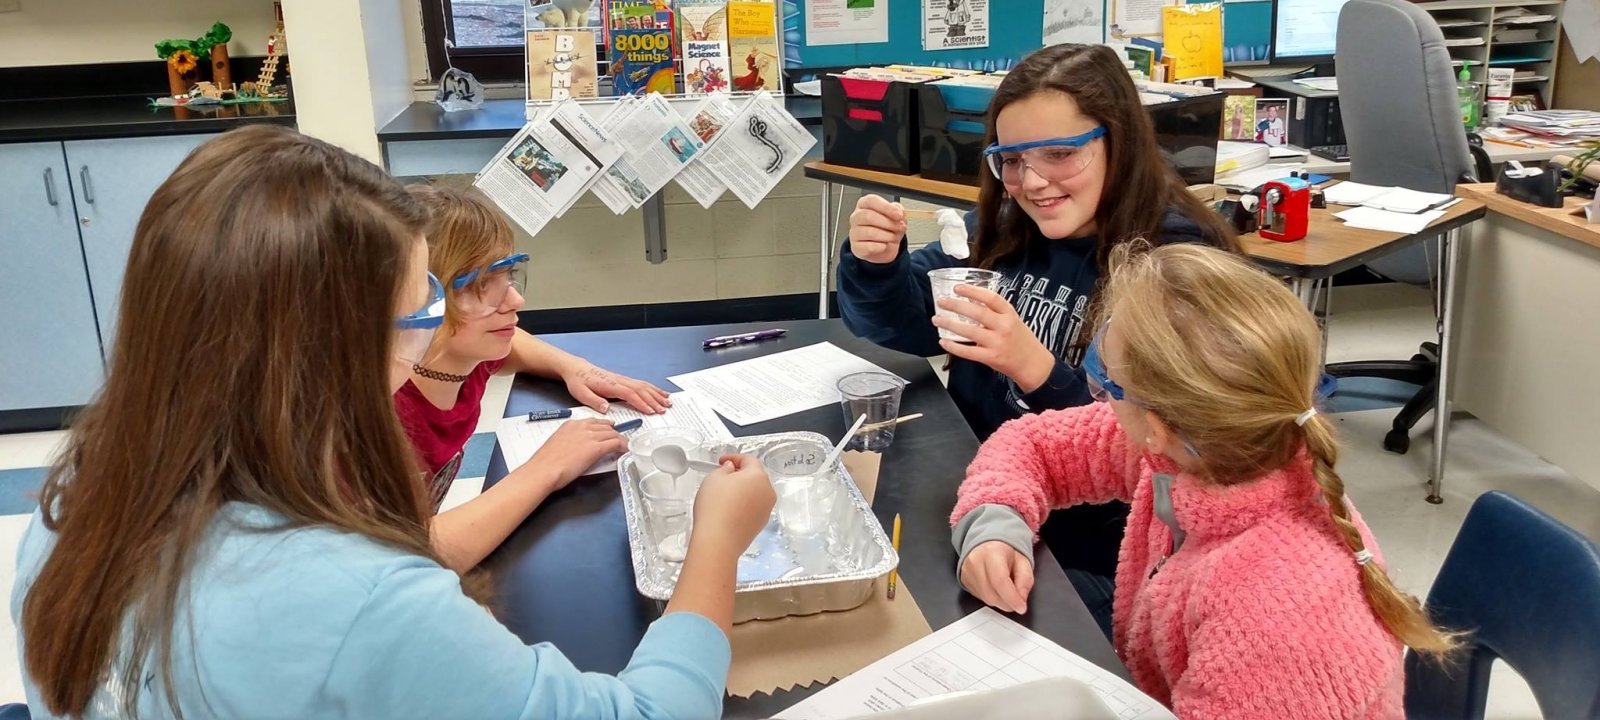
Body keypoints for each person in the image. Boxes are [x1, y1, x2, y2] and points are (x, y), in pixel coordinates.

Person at [13, 125, 775, 719]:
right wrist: (717, 541)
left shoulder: (71, 509)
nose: (434, 334)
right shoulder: (355, 597)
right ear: (335, 347)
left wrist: (560, 364)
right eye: (422, 312)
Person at [950, 244, 1459, 718]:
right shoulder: (1193, 452)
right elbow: (1036, 445)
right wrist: (996, 522)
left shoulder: (1279, 620)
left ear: (1154, 426)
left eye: (1103, 376)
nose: (1100, 396)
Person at [836, 43, 1239, 601]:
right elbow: (903, 324)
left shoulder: (1176, 261)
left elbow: (1171, 454)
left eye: (1058, 153)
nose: (1032, 182)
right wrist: (876, 266)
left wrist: (1034, 369)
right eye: (1013, 159)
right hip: (987, 497)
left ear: (1116, 142)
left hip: (1096, 554)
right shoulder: (1008, 221)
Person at [398, 184, 671, 572]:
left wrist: (573, 367)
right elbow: (406, 556)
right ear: (417, 297)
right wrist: (547, 467)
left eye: (508, 277)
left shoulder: (463, 355)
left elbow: (516, 345)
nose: (514, 301)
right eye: (481, 286)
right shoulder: (383, 411)